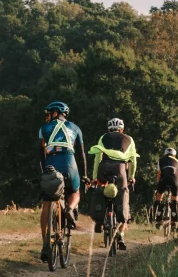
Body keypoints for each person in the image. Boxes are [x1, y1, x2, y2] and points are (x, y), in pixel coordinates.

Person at [38, 101, 88, 262]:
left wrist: (42, 173)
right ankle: (70, 208)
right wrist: (85, 175)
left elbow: (40, 155)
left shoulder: (43, 129)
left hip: (51, 165)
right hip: (70, 164)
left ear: (54, 112)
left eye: (48, 113)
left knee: (46, 204)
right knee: (75, 192)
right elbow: (81, 155)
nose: (47, 116)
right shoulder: (76, 128)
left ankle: (46, 245)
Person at [89, 118, 139, 251]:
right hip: (120, 169)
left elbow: (97, 158)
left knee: (101, 189)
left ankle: (99, 221)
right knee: (123, 196)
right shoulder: (129, 139)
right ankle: (121, 234)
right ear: (122, 129)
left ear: (108, 129)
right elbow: (133, 161)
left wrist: (94, 177)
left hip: (104, 168)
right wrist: (131, 177)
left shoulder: (103, 137)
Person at [153, 147, 178, 227]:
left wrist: (158, 185)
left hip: (164, 180)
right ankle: (174, 219)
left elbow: (158, 175)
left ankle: (158, 218)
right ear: (174, 155)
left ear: (165, 154)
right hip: (174, 181)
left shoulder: (160, 160)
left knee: (159, 197)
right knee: (175, 200)